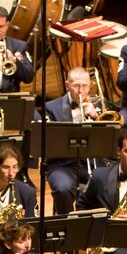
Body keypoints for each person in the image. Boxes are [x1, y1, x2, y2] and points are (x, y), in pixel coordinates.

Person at [40, 66, 105, 215]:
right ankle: (68, 224)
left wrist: (96, 118)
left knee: (110, 185)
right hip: (63, 165)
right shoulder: (51, 108)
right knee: (62, 188)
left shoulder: (100, 106)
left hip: (94, 163)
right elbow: (49, 142)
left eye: (85, 86)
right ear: (67, 85)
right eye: (76, 85)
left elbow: (111, 138)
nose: (80, 90)